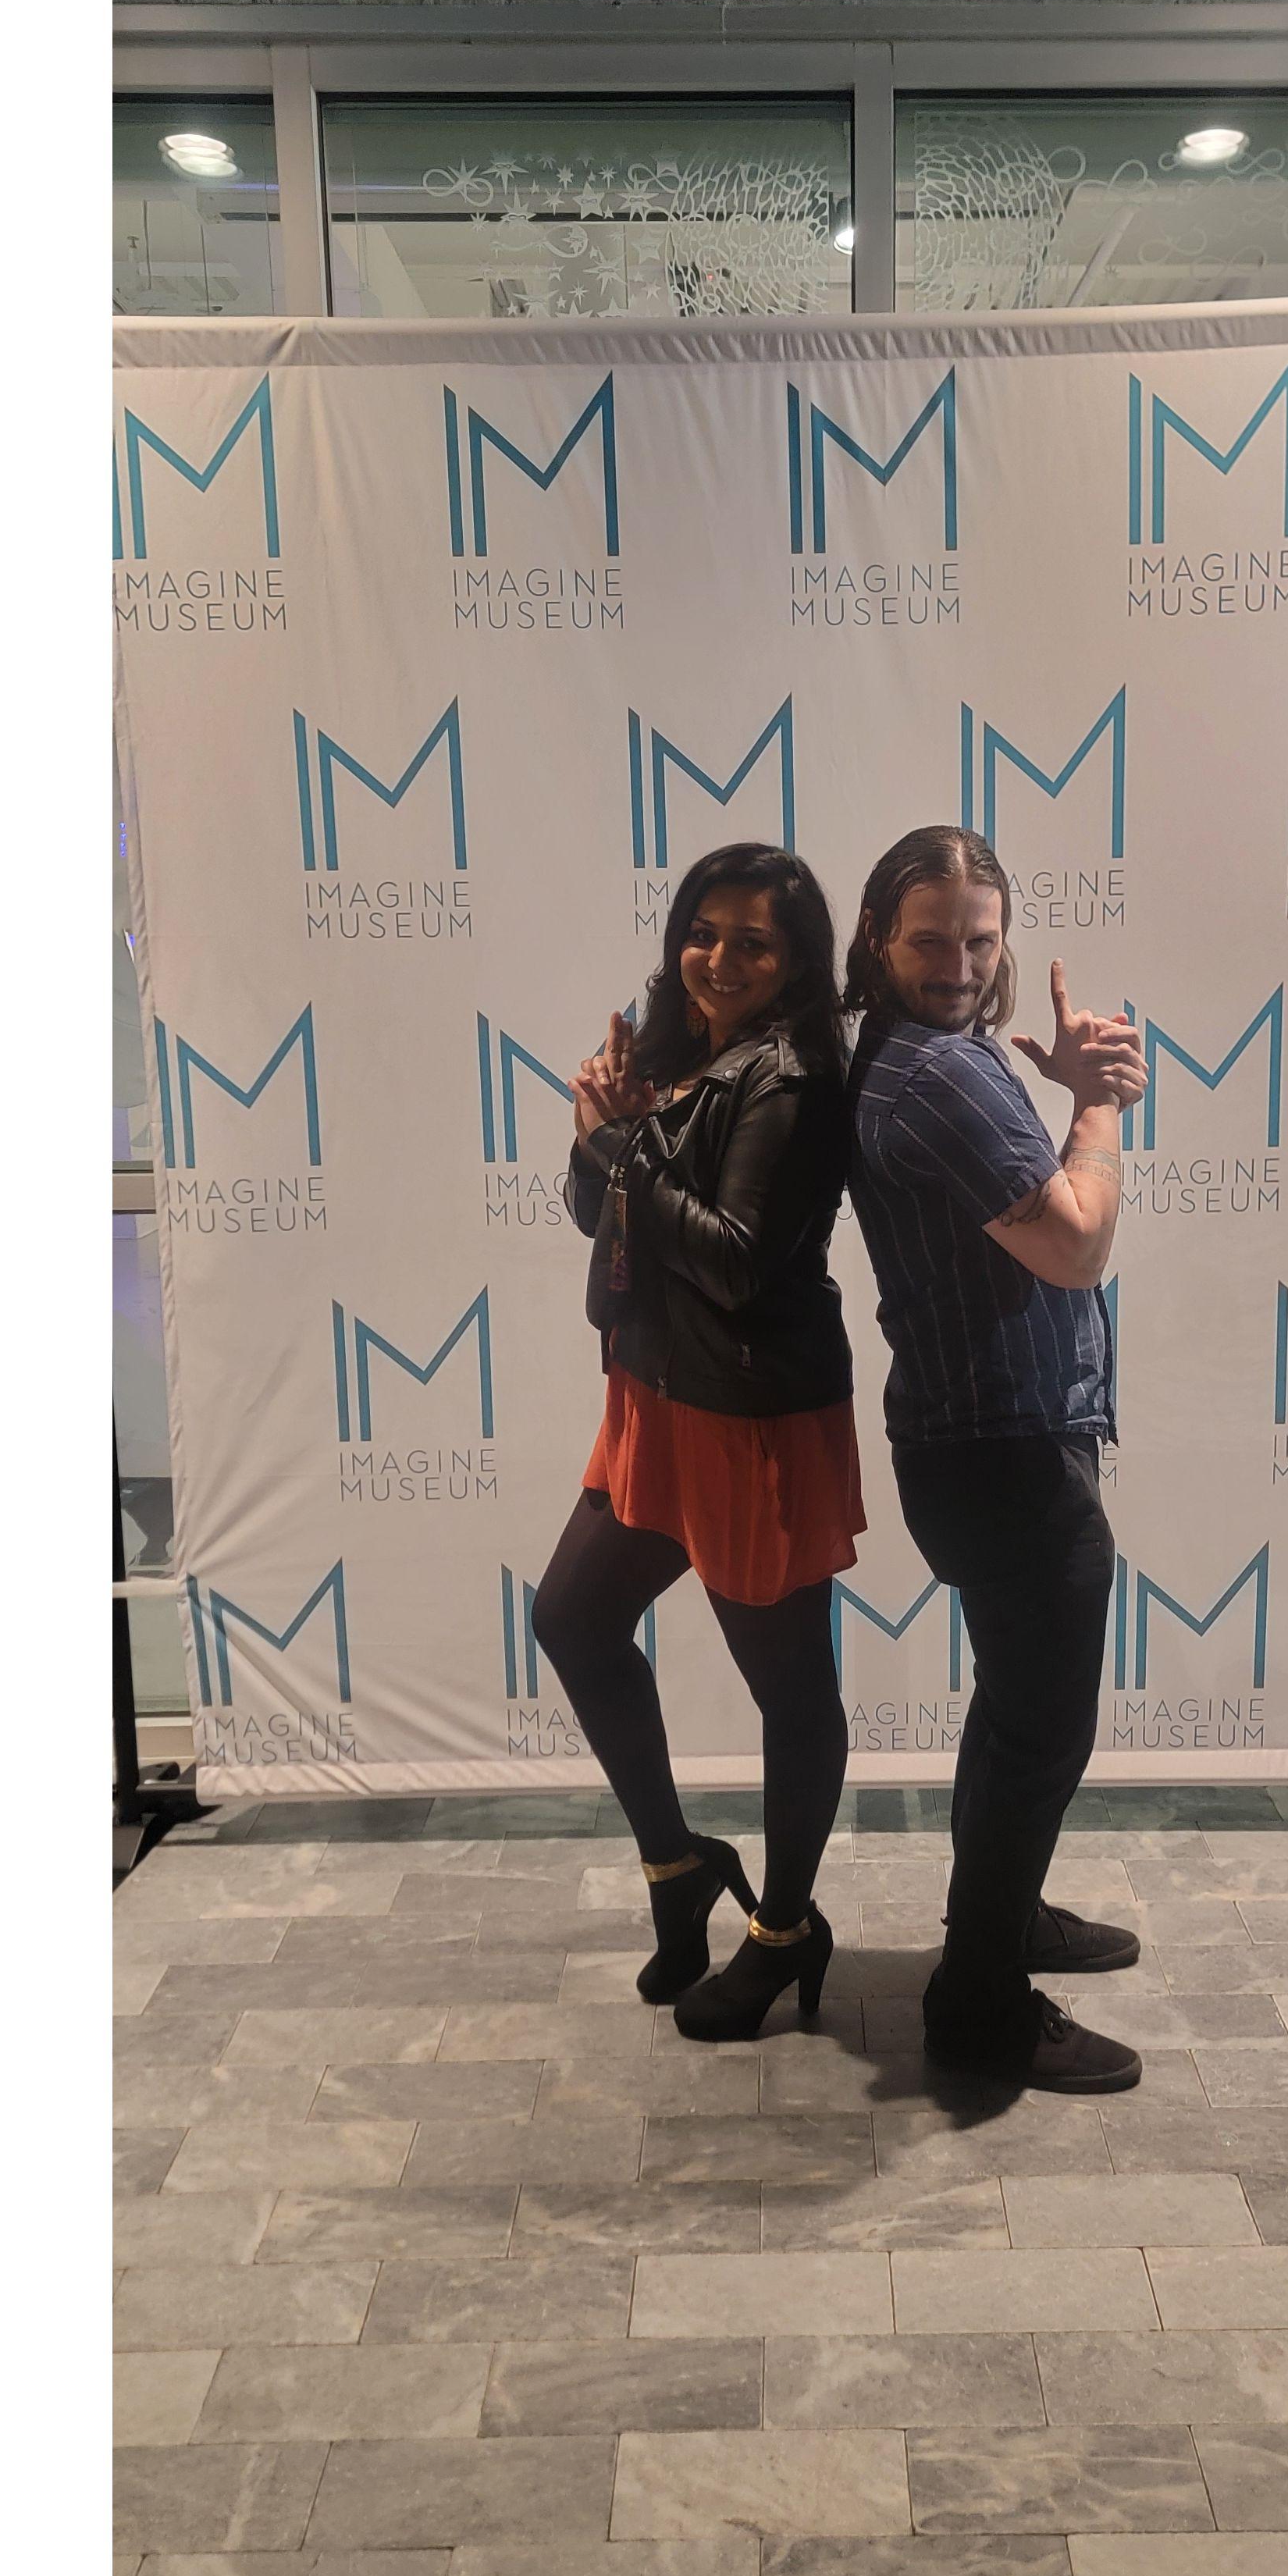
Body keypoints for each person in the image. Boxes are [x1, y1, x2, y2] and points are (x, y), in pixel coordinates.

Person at [536, 841, 864, 2041]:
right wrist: (601, 1134)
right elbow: (600, 1215)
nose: (720, 959)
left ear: (799, 961)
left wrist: (617, 1144)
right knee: (573, 1621)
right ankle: (678, 1868)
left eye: (753, 944)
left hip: (748, 1422)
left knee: (791, 1691)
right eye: (702, 932)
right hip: (655, 1395)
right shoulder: (678, 1052)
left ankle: (785, 1928)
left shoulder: (795, 1077)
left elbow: (734, 1261)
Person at [839, 825, 1148, 2093]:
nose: (959, 966)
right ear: (877, 940)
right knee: (1040, 1731)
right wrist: (1100, 1102)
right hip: (1005, 1451)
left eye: (980, 939)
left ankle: (1002, 1921)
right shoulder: (937, 1076)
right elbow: (1076, 1246)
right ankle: (976, 2005)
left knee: (1014, 1712)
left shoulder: (908, 1055)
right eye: (930, 941)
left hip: (976, 1442)